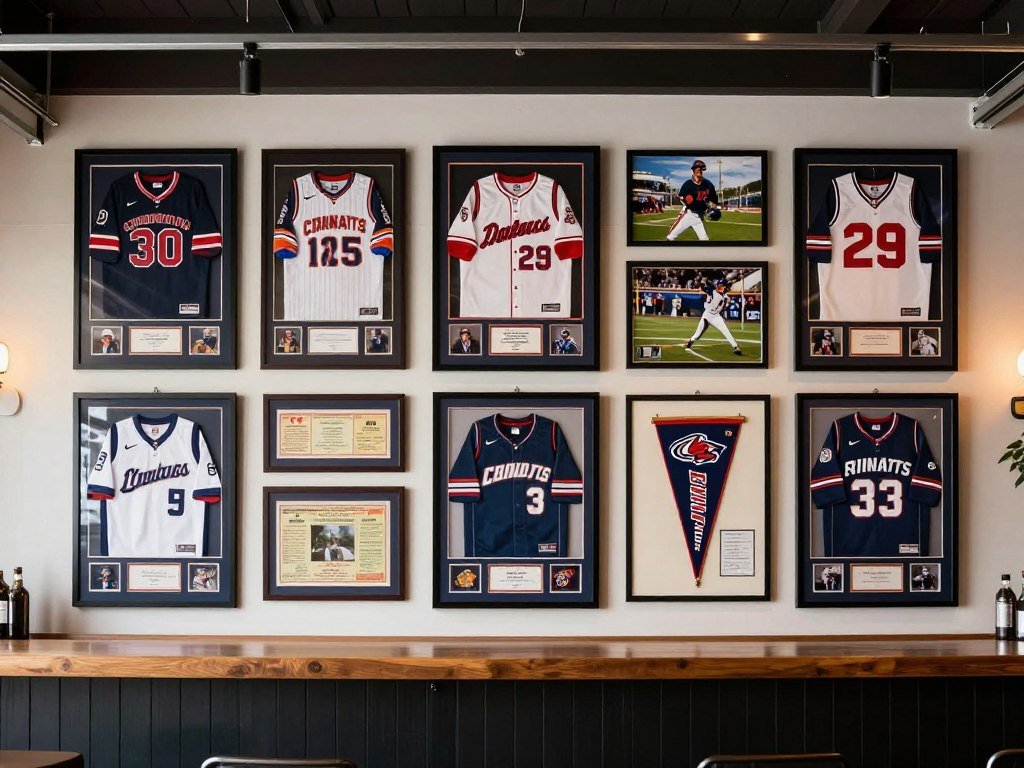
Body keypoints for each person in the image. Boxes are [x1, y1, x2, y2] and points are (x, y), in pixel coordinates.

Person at [666, 159, 719, 242]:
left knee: (705, 240)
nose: (700, 170)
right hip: (688, 214)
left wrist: (713, 208)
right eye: (697, 168)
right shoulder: (687, 184)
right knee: (671, 237)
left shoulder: (708, 184)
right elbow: (681, 198)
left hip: (700, 217)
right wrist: (685, 200)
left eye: (701, 169)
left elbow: (714, 201)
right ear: (693, 170)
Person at [684, 280, 742, 356]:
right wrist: (703, 283)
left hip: (716, 316)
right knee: (698, 333)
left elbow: (722, 307)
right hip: (707, 314)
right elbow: (704, 287)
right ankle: (691, 341)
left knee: (725, 330)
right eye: (719, 285)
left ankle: (735, 347)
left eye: (722, 286)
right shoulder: (712, 291)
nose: (720, 287)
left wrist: (726, 292)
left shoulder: (725, 297)